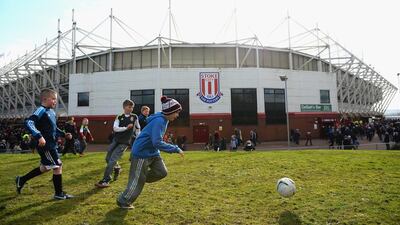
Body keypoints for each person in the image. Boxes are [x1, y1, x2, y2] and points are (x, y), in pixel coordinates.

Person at [116, 96, 184, 209]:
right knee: (137, 180)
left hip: (153, 152)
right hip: (141, 153)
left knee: (162, 172)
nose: (177, 115)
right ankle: (123, 200)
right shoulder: (159, 121)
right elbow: (157, 142)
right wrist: (175, 148)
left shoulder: (164, 120)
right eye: (176, 112)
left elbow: (156, 142)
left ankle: (139, 178)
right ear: (170, 111)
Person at [16, 89, 73, 200]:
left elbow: (53, 129)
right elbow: (29, 122)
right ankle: (59, 193)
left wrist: (64, 134)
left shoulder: (51, 112)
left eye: (55, 99)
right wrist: (39, 136)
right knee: (58, 165)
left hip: (51, 145)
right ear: (45, 99)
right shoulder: (41, 110)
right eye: (53, 99)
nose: (55, 101)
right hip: (45, 146)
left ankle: (21, 179)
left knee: (45, 167)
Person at [96, 100, 141, 188]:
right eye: (129, 107)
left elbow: (138, 129)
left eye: (132, 107)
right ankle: (117, 168)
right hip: (115, 140)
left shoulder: (134, 117)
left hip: (124, 143)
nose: (131, 109)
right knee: (108, 158)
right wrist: (126, 128)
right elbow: (115, 128)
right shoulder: (119, 117)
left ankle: (106, 180)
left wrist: (139, 139)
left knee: (112, 160)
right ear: (124, 107)